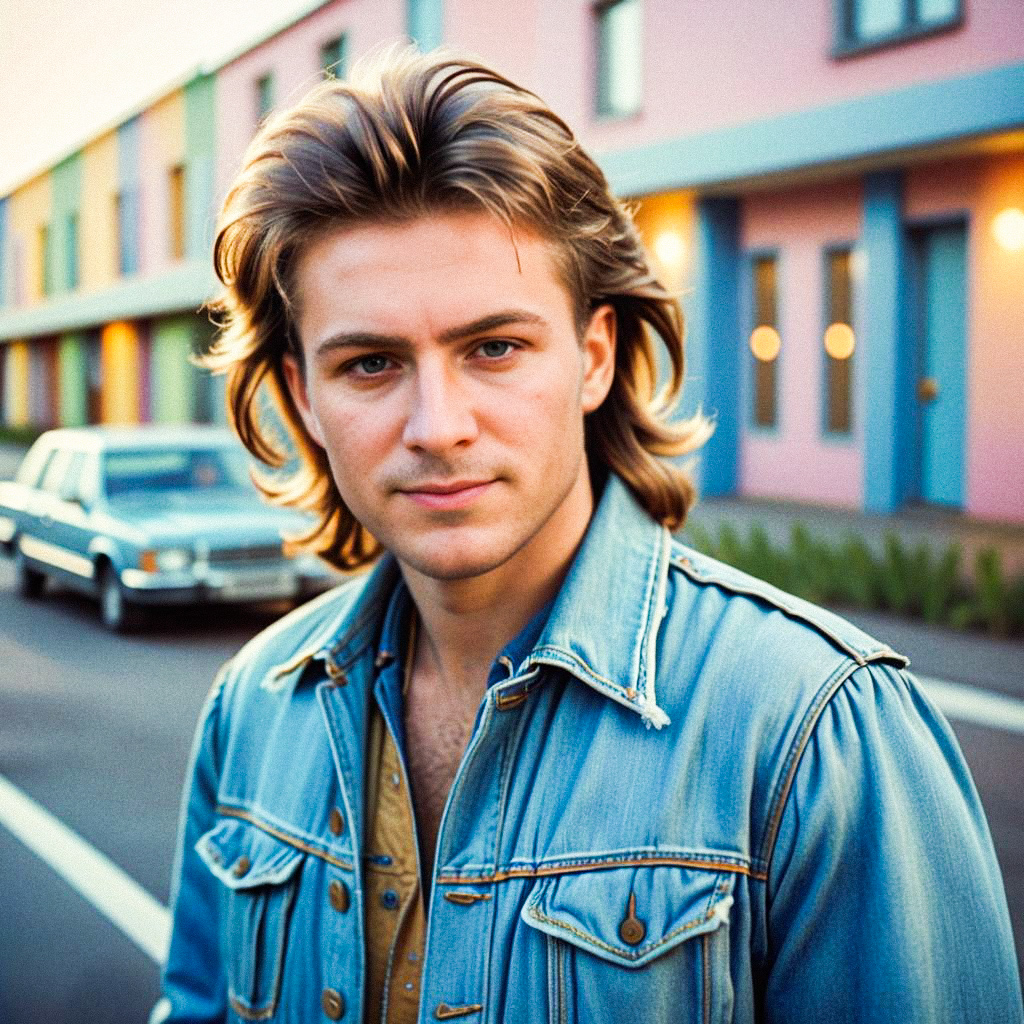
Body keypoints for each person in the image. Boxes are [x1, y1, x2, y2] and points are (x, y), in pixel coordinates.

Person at [155, 47, 1023, 1024]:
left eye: (494, 347)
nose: (437, 424)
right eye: (369, 363)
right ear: (301, 396)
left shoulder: (813, 732)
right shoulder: (253, 708)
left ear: (595, 357)